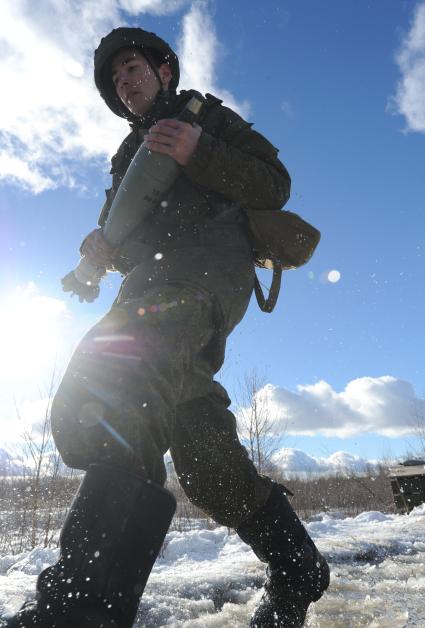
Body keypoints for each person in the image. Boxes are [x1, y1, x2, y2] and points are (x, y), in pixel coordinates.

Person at [2, 27, 329, 628]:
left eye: (133, 69)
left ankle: (80, 612)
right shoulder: (126, 159)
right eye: (116, 80)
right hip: (147, 291)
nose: (125, 84)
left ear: (165, 70)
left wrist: (197, 151)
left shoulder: (203, 117)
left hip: (202, 280)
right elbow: (129, 238)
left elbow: (274, 183)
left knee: (112, 385)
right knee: (206, 465)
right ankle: (297, 569)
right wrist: (101, 247)